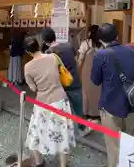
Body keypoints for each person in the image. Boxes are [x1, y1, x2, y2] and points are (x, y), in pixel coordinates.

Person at [24, 36, 75, 167]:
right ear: (39, 45)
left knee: (35, 132)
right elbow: (61, 72)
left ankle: (39, 162)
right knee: (62, 132)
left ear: (27, 51)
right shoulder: (53, 57)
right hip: (60, 100)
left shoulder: (28, 67)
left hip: (42, 102)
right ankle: (63, 165)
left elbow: (33, 87)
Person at [91, 23, 134, 167]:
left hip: (110, 106)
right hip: (131, 103)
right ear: (117, 36)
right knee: (130, 144)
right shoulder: (130, 50)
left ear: (101, 40)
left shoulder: (101, 55)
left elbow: (95, 80)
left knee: (113, 146)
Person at [41, 27, 85, 132]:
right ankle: (82, 128)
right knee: (78, 107)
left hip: (60, 86)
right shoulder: (68, 46)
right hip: (74, 81)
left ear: (45, 41)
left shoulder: (48, 53)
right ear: (55, 36)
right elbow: (76, 61)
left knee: (62, 109)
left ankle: (65, 131)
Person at [78, 25, 101, 121]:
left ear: (90, 33)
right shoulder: (101, 44)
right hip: (99, 71)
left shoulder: (85, 43)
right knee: (98, 91)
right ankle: (97, 113)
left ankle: (86, 112)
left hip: (86, 72)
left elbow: (80, 59)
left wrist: (78, 67)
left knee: (85, 92)